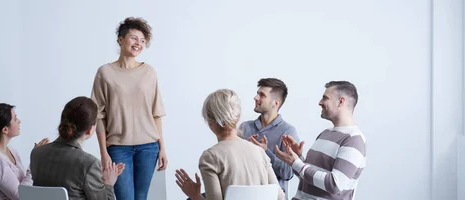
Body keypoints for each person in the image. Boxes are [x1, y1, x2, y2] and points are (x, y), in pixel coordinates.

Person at [91, 17, 167, 200]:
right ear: (121, 39)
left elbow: (156, 113)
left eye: (142, 41)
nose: (138, 44)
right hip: (118, 147)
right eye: (134, 38)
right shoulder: (105, 72)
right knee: (125, 198)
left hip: (149, 146)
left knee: (141, 198)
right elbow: (98, 116)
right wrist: (103, 153)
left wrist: (162, 148)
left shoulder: (149, 72)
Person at [175, 89, 285, 200]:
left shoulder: (210, 157)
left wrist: (194, 195)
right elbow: (280, 197)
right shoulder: (259, 151)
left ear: (210, 121)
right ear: (238, 117)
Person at [275, 81, 367, 200]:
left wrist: (296, 163)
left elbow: (334, 184)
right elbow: (308, 177)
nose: (320, 102)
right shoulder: (325, 134)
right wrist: (298, 158)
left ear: (341, 101)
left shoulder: (353, 140)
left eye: (325, 98)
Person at [30, 96, 122, 200]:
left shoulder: (36, 153)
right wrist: (108, 183)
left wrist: (94, 176)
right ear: (90, 130)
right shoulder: (89, 164)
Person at [239, 78, 299, 199]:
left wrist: (265, 152)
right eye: (257, 93)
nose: (256, 98)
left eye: (262, 95)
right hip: (242, 195)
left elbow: (288, 174)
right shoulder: (245, 127)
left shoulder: (288, 131)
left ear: (275, 103)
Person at [0, 103, 49, 200]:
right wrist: (35, 161)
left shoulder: (11, 151)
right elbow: (21, 195)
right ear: (5, 129)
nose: (19, 121)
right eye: (15, 119)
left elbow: (25, 187)